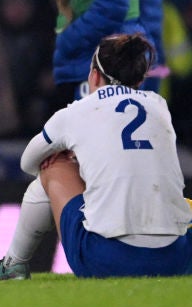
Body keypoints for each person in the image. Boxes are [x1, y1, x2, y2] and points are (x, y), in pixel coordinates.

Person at [0, 0, 146, 280]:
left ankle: (25, 261)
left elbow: (111, 4)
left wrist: (69, 40)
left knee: (65, 165)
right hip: (95, 65)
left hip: (101, 66)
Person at [25, 33, 192, 278]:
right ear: (138, 80)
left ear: (94, 75)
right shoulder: (159, 106)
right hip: (176, 260)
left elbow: (28, 162)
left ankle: (13, 264)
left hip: (109, 261)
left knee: (53, 166)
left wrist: (76, 160)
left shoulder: (77, 113)